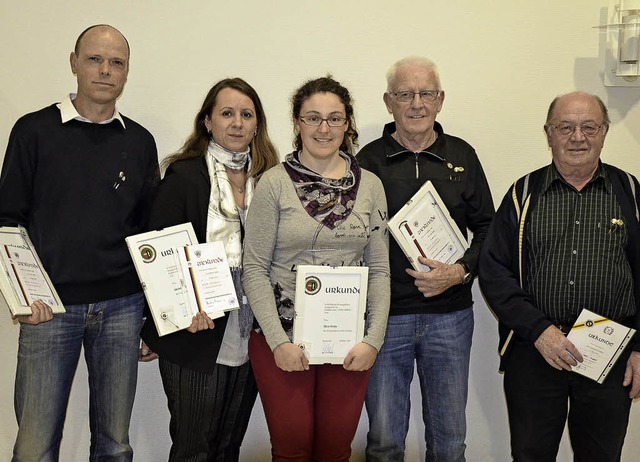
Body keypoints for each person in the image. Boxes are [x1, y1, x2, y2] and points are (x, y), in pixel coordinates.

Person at [0, 24, 159, 461]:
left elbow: (149, 235)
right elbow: (7, 221)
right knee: (34, 446)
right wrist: (23, 295)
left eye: (116, 63)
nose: (105, 70)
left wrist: (154, 317)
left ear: (127, 72)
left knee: (115, 444)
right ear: (74, 63)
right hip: (48, 309)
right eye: (94, 59)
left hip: (123, 310)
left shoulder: (141, 141)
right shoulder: (33, 131)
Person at [478, 91, 640, 461]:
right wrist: (539, 331)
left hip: (610, 353)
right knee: (531, 454)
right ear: (548, 133)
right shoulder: (523, 193)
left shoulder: (629, 193)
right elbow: (494, 271)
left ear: (604, 131)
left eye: (589, 127)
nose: (577, 137)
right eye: (566, 127)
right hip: (536, 351)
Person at [242, 76, 390, 461]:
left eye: (334, 118)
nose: (324, 129)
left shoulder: (371, 186)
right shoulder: (272, 184)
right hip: (284, 341)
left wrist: (372, 340)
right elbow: (254, 268)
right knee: (290, 451)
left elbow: (379, 270)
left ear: (347, 124)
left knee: (335, 451)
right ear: (296, 123)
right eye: (313, 118)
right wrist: (278, 341)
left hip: (349, 344)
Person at [357, 56, 495, 462]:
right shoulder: (366, 162)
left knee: (450, 440)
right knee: (384, 440)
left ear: (440, 100)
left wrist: (460, 272)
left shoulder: (463, 156)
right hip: (384, 320)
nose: (416, 103)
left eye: (426, 94)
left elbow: (489, 228)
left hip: (450, 319)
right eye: (405, 94)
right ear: (388, 102)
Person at [139, 77, 279, 461]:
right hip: (195, 327)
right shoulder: (184, 175)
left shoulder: (271, 179)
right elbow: (158, 253)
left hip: (251, 326)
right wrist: (179, 310)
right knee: (193, 448)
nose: (237, 123)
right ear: (207, 122)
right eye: (227, 113)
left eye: (246, 115)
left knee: (228, 446)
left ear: (257, 124)